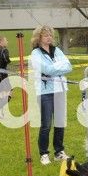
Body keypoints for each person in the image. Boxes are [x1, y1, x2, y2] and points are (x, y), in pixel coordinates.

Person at [29, 25, 72, 165]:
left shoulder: (57, 50)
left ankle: (59, 151)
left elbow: (69, 66)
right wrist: (58, 68)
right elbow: (45, 69)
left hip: (60, 90)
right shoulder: (36, 53)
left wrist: (54, 69)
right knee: (46, 125)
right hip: (45, 92)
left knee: (60, 123)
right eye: (46, 35)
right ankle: (44, 153)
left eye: (51, 35)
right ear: (39, 37)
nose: (49, 37)